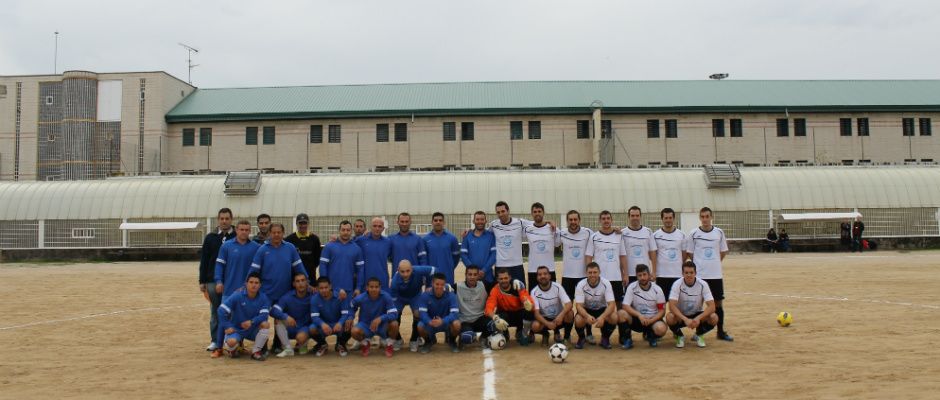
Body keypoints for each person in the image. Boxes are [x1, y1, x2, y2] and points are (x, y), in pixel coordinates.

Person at [249, 223, 308, 353]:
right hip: (266, 293)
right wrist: (247, 285)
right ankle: (262, 346)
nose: (276, 235)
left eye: (279, 232)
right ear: (270, 233)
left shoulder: (290, 248)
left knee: (280, 318)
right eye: (274, 232)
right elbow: (254, 270)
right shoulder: (262, 250)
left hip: (284, 292)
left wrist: (307, 281)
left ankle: (277, 344)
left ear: (283, 233)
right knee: (263, 319)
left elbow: (299, 267)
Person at [211, 219, 260, 358]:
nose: (244, 232)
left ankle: (239, 345)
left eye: (246, 230)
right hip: (229, 290)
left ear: (250, 231)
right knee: (224, 318)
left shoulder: (256, 247)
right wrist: (219, 281)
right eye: (241, 229)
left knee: (244, 318)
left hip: (248, 291)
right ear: (236, 230)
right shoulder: (226, 246)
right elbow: (219, 266)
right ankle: (219, 347)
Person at [684, 207, 733, 342]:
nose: (705, 219)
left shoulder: (719, 232)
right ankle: (699, 332)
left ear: (712, 217)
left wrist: (715, 263)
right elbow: (690, 253)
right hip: (700, 276)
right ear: (700, 218)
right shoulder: (693, 233)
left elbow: (723, 251)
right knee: (698, 305)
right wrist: (700, 265)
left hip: (715, 275)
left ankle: (721, 331)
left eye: (707, 216)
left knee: (718, 304)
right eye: (702, 217)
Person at [584, 210, 627, 345]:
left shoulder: (619, 236)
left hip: (615, 277)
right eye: (603, 218)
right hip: (599, 279)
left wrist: (625, 274)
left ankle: (621, 335)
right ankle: (588, 333)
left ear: (612, 220)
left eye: (608, 218)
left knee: (619, 307)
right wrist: (589, 274)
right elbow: (588, 256)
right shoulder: (594, 237)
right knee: (591, 304)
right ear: (600, 220)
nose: (606, 221)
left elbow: (622, 256)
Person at [199, 207, 235, 353]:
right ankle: (215, 340)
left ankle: (231, 340)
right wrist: (202, 281)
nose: (224, 221)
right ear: (218, 220)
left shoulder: (238, 237)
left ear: (231, 219)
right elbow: (205, 260)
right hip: (212, 281)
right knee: (215, 311)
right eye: (222, 218)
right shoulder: (210, 237)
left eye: (227, 218)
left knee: (232, 312)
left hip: (232, 281)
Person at [555, 209, 592, 342]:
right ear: (567, 221)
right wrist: (551, 228)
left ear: (579, 220)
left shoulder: (588, 232)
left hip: (584, 277)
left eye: (575, 219)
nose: (573, 222)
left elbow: (601, 238)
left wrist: (617, 230)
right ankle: (566, 336)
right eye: (570, 220)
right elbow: (554, 242)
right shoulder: (562, 233)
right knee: (568, 307)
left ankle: (589, 334)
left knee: (585, 306)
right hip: (568, 277)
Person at [218, 271, 271, 361]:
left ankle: (256, 352)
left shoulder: (263, 298)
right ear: (246, 284)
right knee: (231, 343)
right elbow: (221, 310)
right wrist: (227, 326)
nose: (253, 285)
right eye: (251, 282)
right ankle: (233, 349)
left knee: (265, 324)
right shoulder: (237, 295)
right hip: (236, 329)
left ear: (260, 285)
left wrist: (251, 322)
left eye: (256, 283)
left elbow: (264, 315)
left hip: (252, 329)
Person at [665, 261, 719, 348]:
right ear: (682, 273)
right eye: (686, 273)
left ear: (695, 273)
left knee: (714, 317)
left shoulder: (703, 284)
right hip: (681, 315)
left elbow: (712, 306)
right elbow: (671, 306)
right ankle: (679, 336)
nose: (689, 275)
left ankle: (699, 334)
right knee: (669, 317)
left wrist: (698, 318)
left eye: (691, 272)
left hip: (696, 314)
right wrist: (685, 319)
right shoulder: (677, 284)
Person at [389, 260, 436, 352]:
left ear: (412, 269)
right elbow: (393, 303)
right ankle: (398, 339)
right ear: (398, 270)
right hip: (400, 297)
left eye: (408, 271)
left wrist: (429, 285)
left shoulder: (418, 270)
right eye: (402, 271)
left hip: (415, 295)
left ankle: (414, 340)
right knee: (394, 316)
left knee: (418, 314)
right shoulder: (394, 282)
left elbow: (435, 270)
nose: (405, 274)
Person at [617, 264, 667, 349]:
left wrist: (651, 320)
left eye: (644, 274)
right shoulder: (632, 287)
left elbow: (662, 311)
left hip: (652, 320)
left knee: (661, 328)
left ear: (649, 275)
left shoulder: (657, 289)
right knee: (621, 313)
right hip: (637, 320)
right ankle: (627, 339)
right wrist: (639, 315)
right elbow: (625, 306)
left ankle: (651, 336)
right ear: (637, 276)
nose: (642, 277)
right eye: (640, 275)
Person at [349, 277, 400, 357]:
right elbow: (351, 306)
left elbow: (394, 314)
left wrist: (380, 318)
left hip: (382, 325)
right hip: (366, 325)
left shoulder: (386, 296)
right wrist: (350, 317)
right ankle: (365, 343)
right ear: (367, 288)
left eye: (376, 287)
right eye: (371, 287)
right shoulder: (361, 298)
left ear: (380, 287)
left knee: (394, 324)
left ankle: (389, 344)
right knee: (354, 331)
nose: (374, 289)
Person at [485, 268, 535, 346]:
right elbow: (489, 307)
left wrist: (528, 303)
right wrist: (495, 318)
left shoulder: (517, 285)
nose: (504, 281)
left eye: (506, 278)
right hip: (505, 316)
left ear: (510, 278)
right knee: (499, 316)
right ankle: (504, 332)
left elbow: (525, 297)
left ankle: (523, 334)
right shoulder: (495, 290)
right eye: (501, 279)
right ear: (497, 279)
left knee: (529, 312)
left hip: (519, 315)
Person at [573, 262, 618, 349]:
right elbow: (578, 306)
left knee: (614, 317)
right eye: (590, 272)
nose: (592, 275)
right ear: (586, 273)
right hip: (587, 309)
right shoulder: (581, 285)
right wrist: (587, 316)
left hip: (602, 309)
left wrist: (602, 317)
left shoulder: (606, 283)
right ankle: (582, 338)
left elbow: (612, 304)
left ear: (599, 272)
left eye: (595, 272)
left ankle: (605, 338)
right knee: (578, 319)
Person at [416, 273, 462, 353]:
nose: (440, 287)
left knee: (457, 324)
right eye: (437, 284)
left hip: (446, 323)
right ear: (432, 284)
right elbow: (422, 313)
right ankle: (429, 341)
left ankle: (451, 341)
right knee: (420, 326)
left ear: (445, 284)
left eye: (442, 284)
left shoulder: (451, 295)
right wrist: (429, 321)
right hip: (431, 323)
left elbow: (454, 314)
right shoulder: (425, 295)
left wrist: (443, 321)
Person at [271, 272, 314, 357]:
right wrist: (286, 316)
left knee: (301, 338)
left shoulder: (314, 295)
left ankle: (303, 345)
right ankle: (288, 349)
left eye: (303, 280)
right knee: (278, 320)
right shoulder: (287, 297)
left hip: (305, 328)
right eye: (297, 281)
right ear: (294, 284)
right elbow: (274, 310)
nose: (300, 283)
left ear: (307, 282)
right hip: (291, 326)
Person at [309, 277, 353, 357]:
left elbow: (345, 314)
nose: (324, 290)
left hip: (337, 324)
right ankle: (323, 344)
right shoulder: (314, 299)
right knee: (312, 329)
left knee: (349, 325)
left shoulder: (340, 296)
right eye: (321, 288)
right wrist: (322, 324)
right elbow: (314, 317)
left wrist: (340, 323)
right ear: (317, 289)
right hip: (324, 326)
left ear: (330, 286)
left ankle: (340, 344)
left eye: (326, 287)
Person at [319, 220, 366, 296]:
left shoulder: (357, 249)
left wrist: (358, 288)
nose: (345, 232)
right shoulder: (329, 246)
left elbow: (360, 270)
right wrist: (325, 286)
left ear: (351, 231)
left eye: (348, 230)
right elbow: (323, 266)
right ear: (339, 231)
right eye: (343, 230)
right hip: (331, 291)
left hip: (349, 291)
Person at [529, 266, 574, 346]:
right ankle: (545, 334)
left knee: (570, 313)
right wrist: (547, 323)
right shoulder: (534, 292)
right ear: (537, 277)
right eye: (540, 274)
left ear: (549, 276)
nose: (542, 276)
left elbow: (569, 304)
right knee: (535, 326)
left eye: (545, 274)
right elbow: (536, 313)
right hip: (545, 318)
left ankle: (566, 338)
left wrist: (561, 315)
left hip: (558, 318)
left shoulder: (557, 287)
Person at [488, 201, 529, 286]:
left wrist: (549, 222)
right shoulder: (493, 225)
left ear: (508, 211)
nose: (501, 214)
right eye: (498, 212)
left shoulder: (520, 222)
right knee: (501, 295)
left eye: (503, 211)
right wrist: (470, 231)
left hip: (517, 265)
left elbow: (536, 224)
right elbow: (483, 234)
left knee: (520, 292)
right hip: (500, 265)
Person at [653, 208, 686, 302]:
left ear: (674, 218)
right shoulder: (655, 235)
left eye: (670, 218)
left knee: (677, 303)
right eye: (666, 218)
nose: (668, 220)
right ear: (662, 219)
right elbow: (653, 255)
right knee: (661, 303)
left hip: (677, 275)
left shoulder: (681, 235)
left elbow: (684, 254)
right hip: (661, 276)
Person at [455, 265, 491, 347]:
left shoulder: (484, 285)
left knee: (493, 325)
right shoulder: (457, 287)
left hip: (480, 319)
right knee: (467, 338)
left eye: (475, 274)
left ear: (478, 276)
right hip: (465, 321)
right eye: (470, 274)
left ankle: (483, 337)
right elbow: (443, 287)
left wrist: (513, 281)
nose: (472, 277)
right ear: (465, 275)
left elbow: (500, 284)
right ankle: (464, 336)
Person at [461, 211, 497, 291]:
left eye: (482, 219)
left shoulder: (491, 236)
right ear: (473, 221)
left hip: (488, 276)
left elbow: (494, 255)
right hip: (472, 277)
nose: (480, 221)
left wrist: (484, 270)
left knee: (488, 301)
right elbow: (463, 255)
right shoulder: (467, 236)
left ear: (485, 221)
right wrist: (474, 272)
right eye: (477, 219)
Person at [621, 206, 657, 284]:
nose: (635, 218)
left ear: (640, 216)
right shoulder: (622, 233)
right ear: (629, 217)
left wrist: (654, 272)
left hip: (645, 273)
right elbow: (621, 255)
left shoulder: (648, 231)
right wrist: (623, 273)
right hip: (629, 274)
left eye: (637, 215)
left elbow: (653, 252)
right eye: (632, 216)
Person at [422, 212, 461, 285]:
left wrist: (449, 266)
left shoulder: (452, 238)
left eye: (440, 220)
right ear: (432, 222)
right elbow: (424, 259)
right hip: (431, 278)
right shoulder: (425, 240)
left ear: (444, 222)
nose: (438, 222)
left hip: (448, 277)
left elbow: (456, 257)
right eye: (435, 220)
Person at [525, 202, 557, 288]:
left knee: (552, 297)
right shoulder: (527, 228)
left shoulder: (552, 228)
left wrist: (550, 222)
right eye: (535, 212)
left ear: (543, 212)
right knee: (533, 298)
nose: (537, 213)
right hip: (533, 270)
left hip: (549, 269)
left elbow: (557, 244)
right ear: (532, 214)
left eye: (539, 211)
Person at [356, 217, 393, 288]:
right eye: (375, 226)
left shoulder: (388, 242)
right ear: (370, 227)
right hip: (366, 280)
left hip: (383, 280)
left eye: (380, 226)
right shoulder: (361, 240)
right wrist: (336, 239)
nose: (377, 228)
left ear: (383, 228)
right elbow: (348, 243)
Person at [284, 213, 322, 279]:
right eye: (300, 223)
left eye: (305, 223)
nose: (303, 225)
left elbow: (317, 260)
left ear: (308, 224)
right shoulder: (289, 239)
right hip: (294, 278)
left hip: (311, 276)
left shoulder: (315, 239)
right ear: (296, 224)